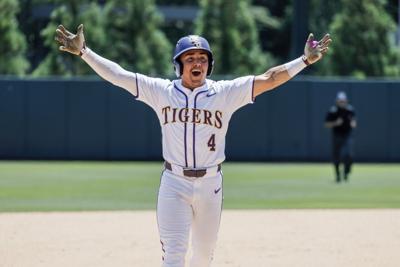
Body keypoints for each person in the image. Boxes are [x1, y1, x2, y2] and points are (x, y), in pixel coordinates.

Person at [55, 24, 331, 267]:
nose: (196, 62)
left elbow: (270, 78)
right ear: (179, 65)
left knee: (202, 258)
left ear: (209, 65)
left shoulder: (225, 93)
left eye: (202, 58)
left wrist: (304, 60)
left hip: (211, 185)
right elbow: (118, 75)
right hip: (174, 183)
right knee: (174, 256)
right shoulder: (162, 91)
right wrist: (85, 53)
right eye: (189, 58)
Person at [325, 91, 356, 183]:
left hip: (347, 135)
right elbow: (327, 124)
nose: (342, 102)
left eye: (343, 101)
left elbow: (354, 121)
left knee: (348, 154)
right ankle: (338, 175)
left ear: (346, 101)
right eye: (340, 101)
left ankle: (346, 172)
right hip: (337, 134)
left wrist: (353, 123)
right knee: (336, 156)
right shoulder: (333, 110)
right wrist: (335, 123)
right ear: (337, 101)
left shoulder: (350, 110)